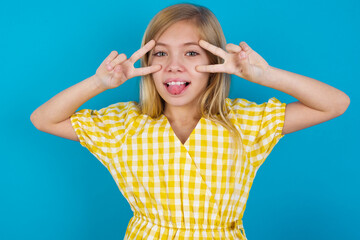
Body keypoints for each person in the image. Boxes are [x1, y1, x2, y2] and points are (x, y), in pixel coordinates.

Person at [30, 3, 350, 240]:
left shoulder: (244, 121)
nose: (174, 66)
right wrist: (100, 83)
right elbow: (43, 119)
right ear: (147, 62)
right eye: (161, 54)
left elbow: (335, 104)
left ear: (215, 61)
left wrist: (265, 76)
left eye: (192, 53)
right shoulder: (123, 125)